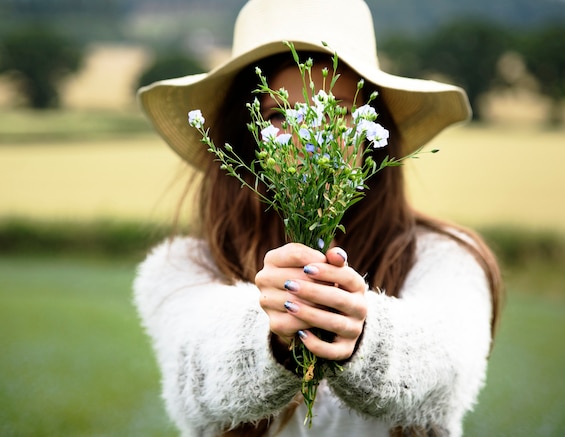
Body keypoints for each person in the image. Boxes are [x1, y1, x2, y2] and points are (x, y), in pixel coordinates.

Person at [133, 0, 503, 436]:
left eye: (339, 111)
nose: (315, 133)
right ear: (247, 139)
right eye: (278, 115)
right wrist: (274, 331)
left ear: (374, 134)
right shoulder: (180, 266)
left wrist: (361, 333)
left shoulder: (446, 257)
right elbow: (195, 377)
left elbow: (447, 369)